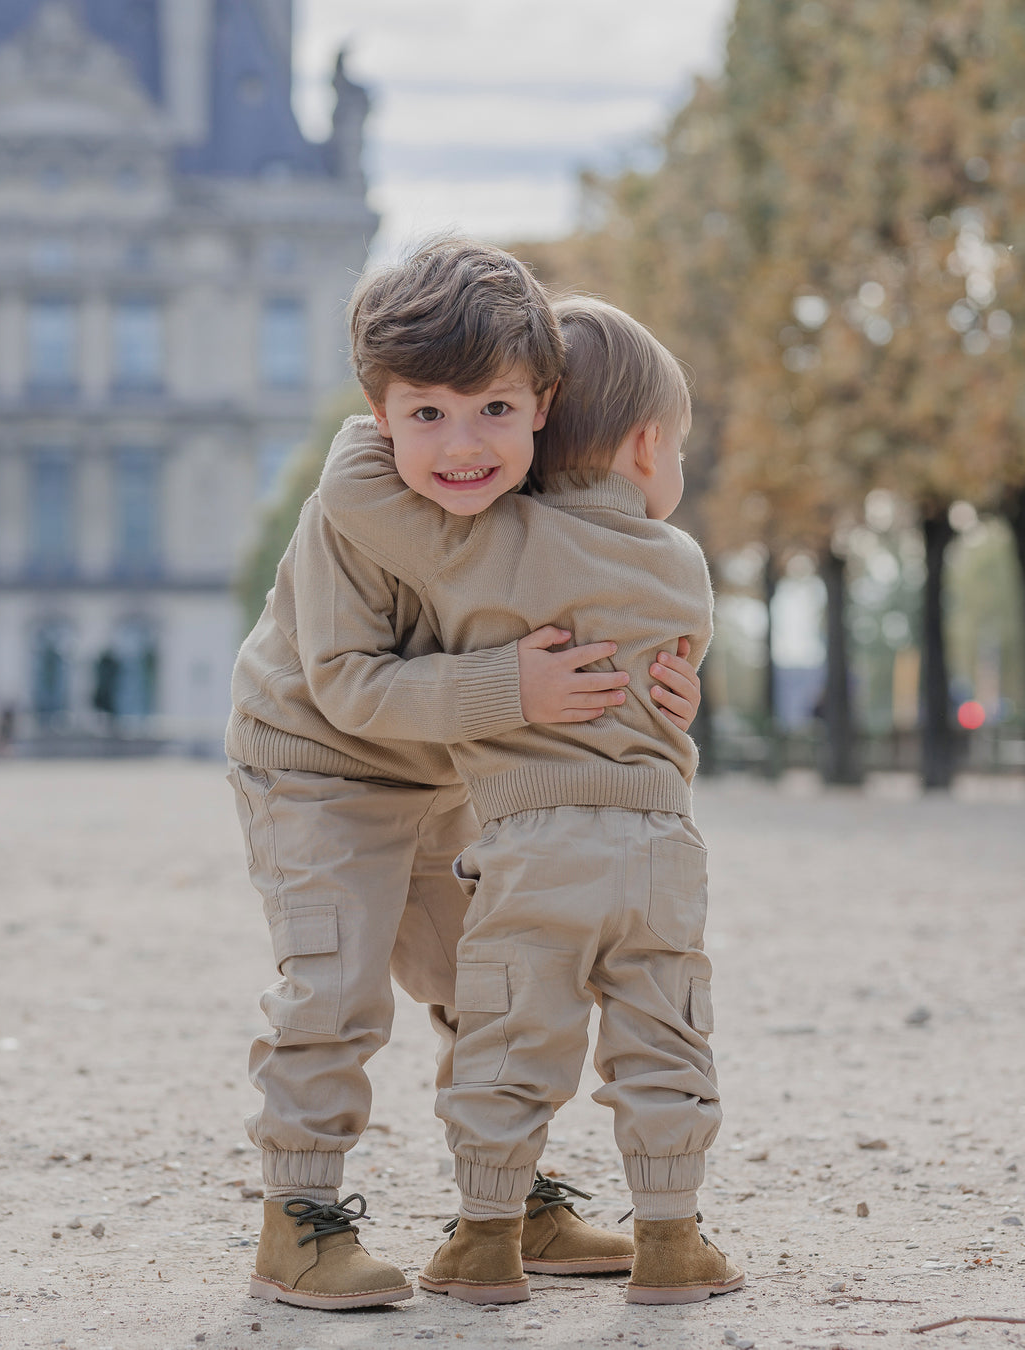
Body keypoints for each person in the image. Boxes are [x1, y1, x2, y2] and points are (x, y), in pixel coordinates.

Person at [226, 241, 704, 1311]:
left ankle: (509, 1197)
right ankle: (296, 1217)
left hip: (455, 773)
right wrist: (510, 691)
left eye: (491, 408)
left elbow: (602, 627)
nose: (460, 445)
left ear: (544, 403)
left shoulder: (538, 497)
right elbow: (348, 686)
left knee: (481, 977)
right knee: (335, 982)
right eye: (426, 414)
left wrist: (665, 688)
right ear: (378, 411)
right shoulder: (351, 514)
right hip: (317, 763)